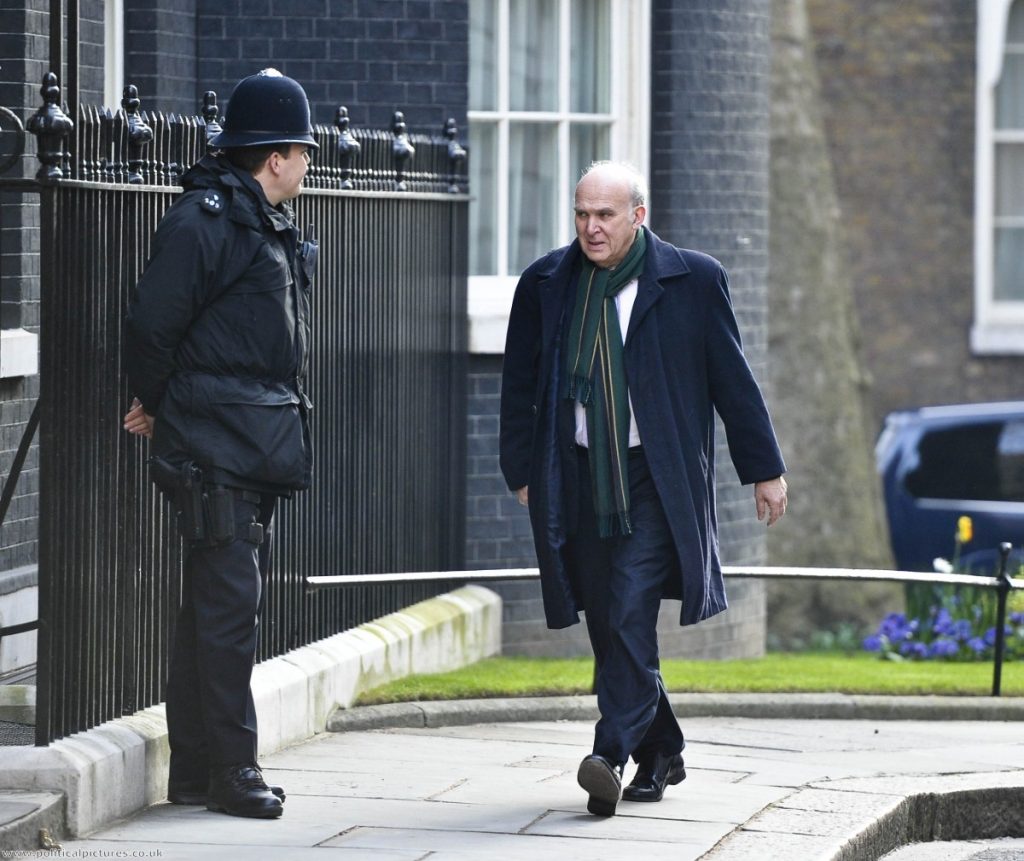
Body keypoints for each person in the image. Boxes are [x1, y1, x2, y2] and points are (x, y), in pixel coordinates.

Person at [499, 161, 787, 817]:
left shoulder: (692, 280)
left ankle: (608, 753)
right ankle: (662, 749)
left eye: (604, 215)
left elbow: (732, 382)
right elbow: (519, 386)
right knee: (606, 619)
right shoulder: (547, 282)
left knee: (630, 605)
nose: (590, 228)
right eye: (581, 214)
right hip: (577, 474)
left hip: (656, 478)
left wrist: (763, 468)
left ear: (639, 215)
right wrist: (521, 470)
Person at [122, 69, 318, 820]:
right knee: (231, 610)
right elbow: (151, 325)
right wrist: (160, 405)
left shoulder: (254, 221)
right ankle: (234, 770)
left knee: (210, 610)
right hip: (214, 447)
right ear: (276, 158)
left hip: (244, 441)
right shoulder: (209, 220)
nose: (307, 163)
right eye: (302, 151)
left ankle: (199, 770)